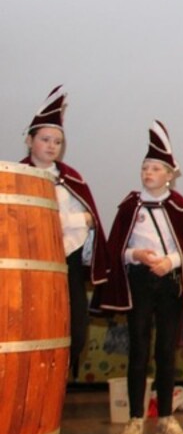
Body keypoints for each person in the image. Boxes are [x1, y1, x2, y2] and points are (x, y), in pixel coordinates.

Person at [98, 121, 183, 434]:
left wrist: (170, 262)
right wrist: (136, 254)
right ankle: (135, 419)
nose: (148, 173)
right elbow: (116, 249)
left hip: (169, 285)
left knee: (166, 350)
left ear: (169, 175)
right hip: (139, 282)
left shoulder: (180, 208)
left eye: (155, 168)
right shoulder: (129, 207)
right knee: (138, 348)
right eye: (145, 167)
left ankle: (165, 418)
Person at [21, 85, 110, 380]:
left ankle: (58, 385)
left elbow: (91, 220)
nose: (51, 146)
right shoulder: (15, 177)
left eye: (57, 142)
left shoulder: (72, 180)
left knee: (75, 331)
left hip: (67, 263)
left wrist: (77, 221)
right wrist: (76, 220)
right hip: (28, 267)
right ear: (29, 140)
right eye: (45, 139)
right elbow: (36, 221)